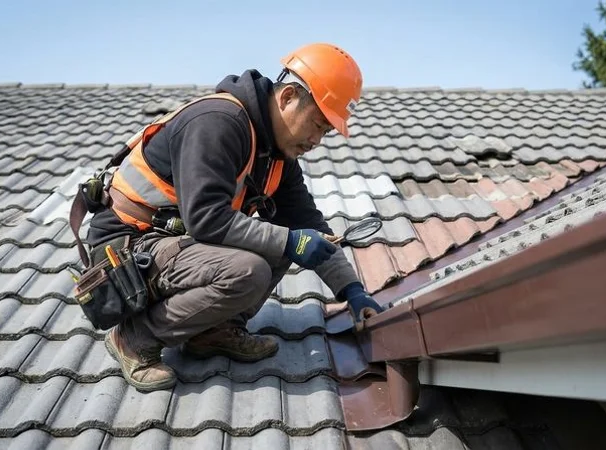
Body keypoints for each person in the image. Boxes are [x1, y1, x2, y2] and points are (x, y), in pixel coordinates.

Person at [85, 43, 383, 392]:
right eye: (317, 124)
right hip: (128, 249)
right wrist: (290, 241)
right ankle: (134, 338)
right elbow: (206, 219)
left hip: (175, 247)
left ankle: (212, 332)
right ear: (287, 98)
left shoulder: (277, 156)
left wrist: (353, 292)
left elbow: (309, 226)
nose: (316, 139)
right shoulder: (219, 123)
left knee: (287, 240)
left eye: (326, 132)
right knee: (252, 267)